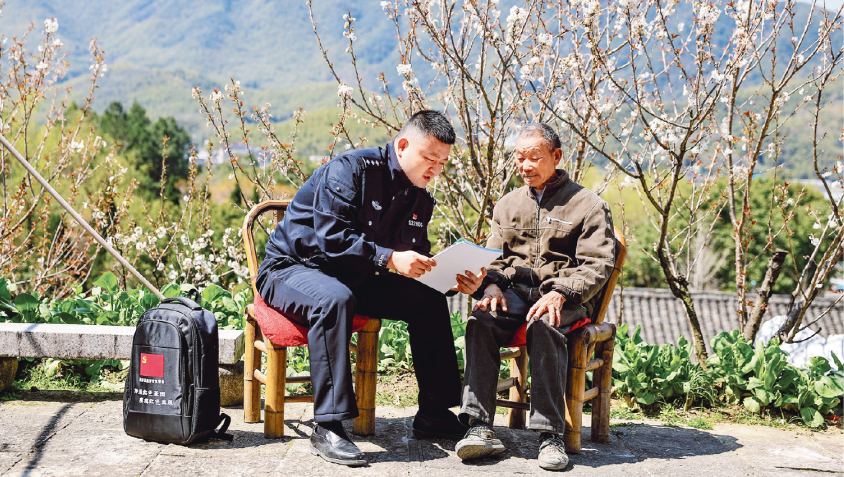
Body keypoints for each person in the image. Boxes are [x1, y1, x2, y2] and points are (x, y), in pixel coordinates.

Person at [256, 110, 485, 466]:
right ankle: (328, 426)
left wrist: (452, 280)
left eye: (442, 162)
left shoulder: (420, 199)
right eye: (430, 158)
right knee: (334, 299)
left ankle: (434, 413)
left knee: (428, 299)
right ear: (403, 145)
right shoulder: (349, 171)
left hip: (357, 277)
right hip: (292, 269)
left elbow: (413, 260)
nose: (436, 170)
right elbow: (332, 239)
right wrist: (391, 259)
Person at [455, 123, 616, 471]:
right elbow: (494, 258)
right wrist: (490, 285)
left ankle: (550, 435)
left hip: (566, 298)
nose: (525, 166)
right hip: (515, 293)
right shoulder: (507, 205)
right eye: (519, 158)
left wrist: (560, 293)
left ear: (556, 156)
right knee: (480, 320)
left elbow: (598, 263)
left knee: (543, 324)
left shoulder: (589, 205)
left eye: (534, 157)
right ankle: (479, 426)